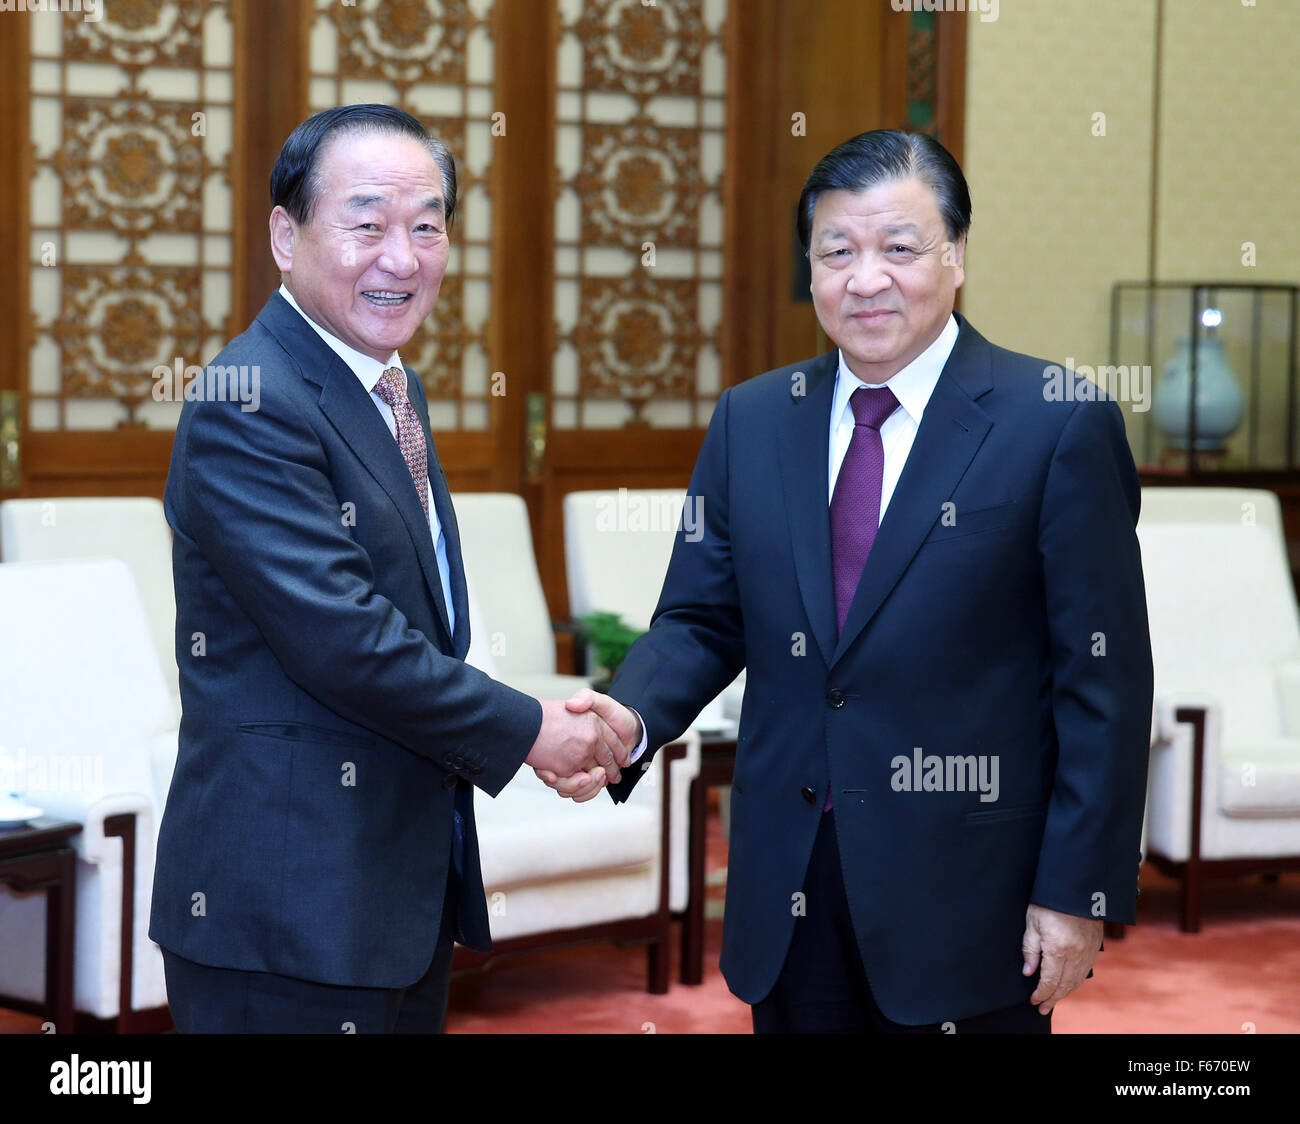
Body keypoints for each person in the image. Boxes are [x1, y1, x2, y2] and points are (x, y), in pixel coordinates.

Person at [553, 129, 1154, 1033]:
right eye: (837, 251)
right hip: (790, 879)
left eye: (899, 249)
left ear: (957, 257)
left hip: (970, 890)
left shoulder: (1054, 423)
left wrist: (1078, 890)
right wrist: (630, 716)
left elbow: (1102, 682)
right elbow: (702, 616)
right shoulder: (754, 419)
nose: (865, 278)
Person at [149, 105, 632, 1034]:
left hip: (384, 899)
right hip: (287, 913)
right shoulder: (249, 400)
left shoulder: (383, 382)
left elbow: (413, 623)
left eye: (427, 227)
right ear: (286, 237)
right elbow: (347, 642)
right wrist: (530, 727)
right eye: (367, 224)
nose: (402, 259)